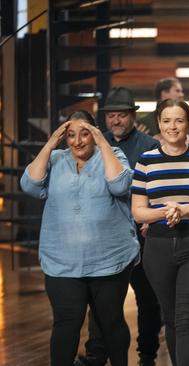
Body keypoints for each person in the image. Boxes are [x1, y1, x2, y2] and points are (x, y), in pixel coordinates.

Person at [20, 110, 138, 366]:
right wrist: (52, 142)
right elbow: (29, 185)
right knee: (66, 324)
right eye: (71, 135)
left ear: (95, 134)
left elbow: (120, 185)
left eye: (85, 133)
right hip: (62, 262)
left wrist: (103, 142)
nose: (77, 141)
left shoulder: (113, 155)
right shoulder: (54, 158)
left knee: (111, 321)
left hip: (109, 260)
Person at [131, 99, 189, 366]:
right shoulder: (145, 162)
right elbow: (138, 212)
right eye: (167, 121)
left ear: (188, 123)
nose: (173, 126)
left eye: (179, 120)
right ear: (159, 124)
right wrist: (167, 212)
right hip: (158, 248)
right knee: (171, 319)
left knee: (186, 319)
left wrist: (185, 210)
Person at [75, 87, 162, 366]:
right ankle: (96, 354)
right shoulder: (94, 145)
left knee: (147, 298)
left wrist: (150, 218)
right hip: (106, 236)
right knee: (100, 299)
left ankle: (147, 354)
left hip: (141, 232)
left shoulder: (148, 146)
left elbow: (155, 189)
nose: (116, 121)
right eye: (111, 115)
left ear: (132, 116)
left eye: (121, 115)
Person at [136, 77, 189, 144]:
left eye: (179, 121)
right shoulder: (144, 122)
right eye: (177, 91)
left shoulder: (188, 118)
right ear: (164, 93)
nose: (181, 95)